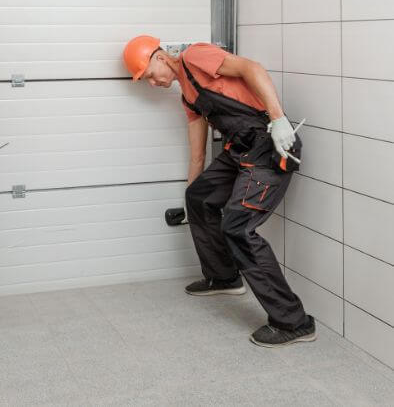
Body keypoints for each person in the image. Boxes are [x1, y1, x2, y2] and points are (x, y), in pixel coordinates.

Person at [122, 36, 316, 347]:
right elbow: (197, 154)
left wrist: (279, 120)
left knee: (238, 228)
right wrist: (191, 200)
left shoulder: (195, 56)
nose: (152, 84)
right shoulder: (187, 98)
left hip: (270, 145)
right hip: (239, 151)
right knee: (198, 197)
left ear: (158, 58)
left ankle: (292, 321)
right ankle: (224, 276)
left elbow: (252, 68)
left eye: (147, 77)